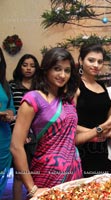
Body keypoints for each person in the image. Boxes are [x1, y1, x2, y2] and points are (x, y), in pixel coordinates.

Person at [10, 47, 111, 198]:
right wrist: (32, 187)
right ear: (46, 69)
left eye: (67, 70)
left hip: (74, 171)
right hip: (46, 173)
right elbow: (16, 146)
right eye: (57, 69)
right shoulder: (33, 99)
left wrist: (101, 129)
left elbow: (71, 139)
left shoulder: (67, 100)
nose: (62, 75)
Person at [76, 43, 111, 177]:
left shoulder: (101, 85)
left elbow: (108, 119)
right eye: (91, 60)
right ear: (80, 60)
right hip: (81, 148)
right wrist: (99, 133)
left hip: (101, 149)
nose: (96, 65)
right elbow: (68, 123)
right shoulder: (75, 86)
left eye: (100, 61)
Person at [9, 54, 39, 200]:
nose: (28, 68)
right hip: (19, 134)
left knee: (37, 173)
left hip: (38, 135)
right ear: (20, 66)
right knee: (19, 174)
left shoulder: (40, 87)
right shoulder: (12, 86)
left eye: (32, 65)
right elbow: (12, 113)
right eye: (25, 64)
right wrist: (21, 134)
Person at [0, 48, 16, 198]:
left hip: (4, 137)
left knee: (2, 176)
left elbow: (11, 107)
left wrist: (10, 114)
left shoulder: (4, 84)